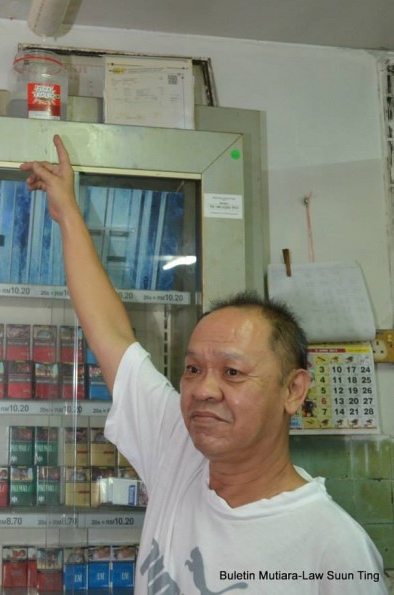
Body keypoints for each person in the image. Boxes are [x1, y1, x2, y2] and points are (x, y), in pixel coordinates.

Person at [20, 135, 387, 594]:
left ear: (293, 390)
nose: (204, 390)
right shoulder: (178, 450)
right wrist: (67, 214)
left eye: (233, 372)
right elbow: (111, 334)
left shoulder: (334, 551)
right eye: (193, 369)